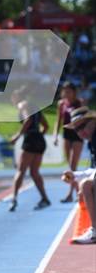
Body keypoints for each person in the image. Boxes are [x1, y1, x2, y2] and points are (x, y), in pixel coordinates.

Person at [8, 88, 51, 212]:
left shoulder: (23, 105)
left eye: (12, 97)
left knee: (20, 171)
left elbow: (28, 120)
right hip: (39, 140)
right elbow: (46, 126)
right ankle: (45, 198)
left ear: (17, 96)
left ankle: (14, 198)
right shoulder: (34, 106)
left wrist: (17, 136)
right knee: (34, 172)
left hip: (31, 139)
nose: (12, 100)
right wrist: (39, 137)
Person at [62, 107, 96, 244]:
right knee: (87, 185)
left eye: (82, 126)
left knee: (86, 185)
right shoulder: (92, 141)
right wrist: (75, 175)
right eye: (76, 129)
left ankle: (95, 230)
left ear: (92, 122)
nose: (80, 132)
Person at [53, 82, 84, 202]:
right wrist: (55, 135)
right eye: (65, 91)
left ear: (74, 92)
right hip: (66, 135)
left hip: (77, 135)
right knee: (70, 166)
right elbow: (58, 121)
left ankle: (72, 194)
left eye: (69, 91)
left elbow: (83, 119)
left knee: (73, 165)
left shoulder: (79, 102)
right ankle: (77, 192)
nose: (66, 93)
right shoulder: (61, 104)